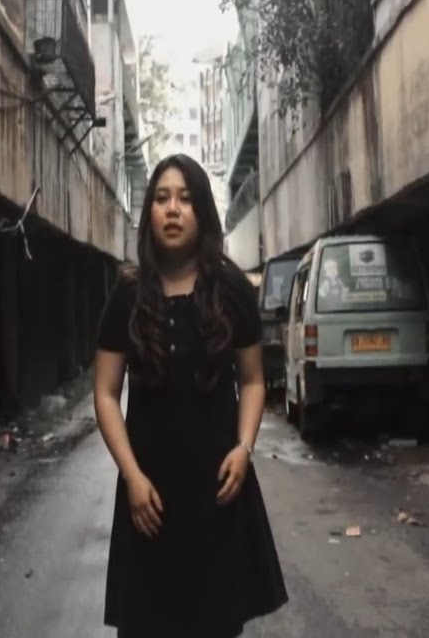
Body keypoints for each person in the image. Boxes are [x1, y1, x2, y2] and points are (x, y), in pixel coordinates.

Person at [93, 154, 289, 637]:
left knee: (215, 624)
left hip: (218, 493)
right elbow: (105, 393)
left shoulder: (231, 290)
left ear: (201, 211)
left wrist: (244, 448)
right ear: (149, 214)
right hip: (148, 499)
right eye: (162, 198)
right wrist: (132, 476)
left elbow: (252, 381)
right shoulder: (127, 297)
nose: (173, 209)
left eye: (185, 198)